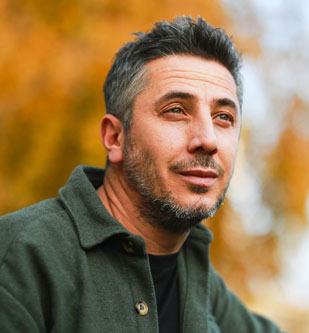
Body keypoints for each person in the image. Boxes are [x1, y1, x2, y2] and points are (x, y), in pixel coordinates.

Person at [0, 17, 283, 332]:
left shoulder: (198, 277)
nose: (208, 139)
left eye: (223, 117)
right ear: (115, 138)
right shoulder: (19, 257)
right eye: (176, 110)